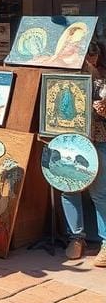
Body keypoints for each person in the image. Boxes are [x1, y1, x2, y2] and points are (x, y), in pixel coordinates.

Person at [61, 41, 106, 266]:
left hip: (98, 139)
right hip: (71, 141)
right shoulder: (62, 78)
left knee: (100, 192)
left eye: (95, 54)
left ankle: (105, 242)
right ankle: (76, 238)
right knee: (69, 188)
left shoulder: (102, 81)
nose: (92, 59)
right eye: (88, 54)